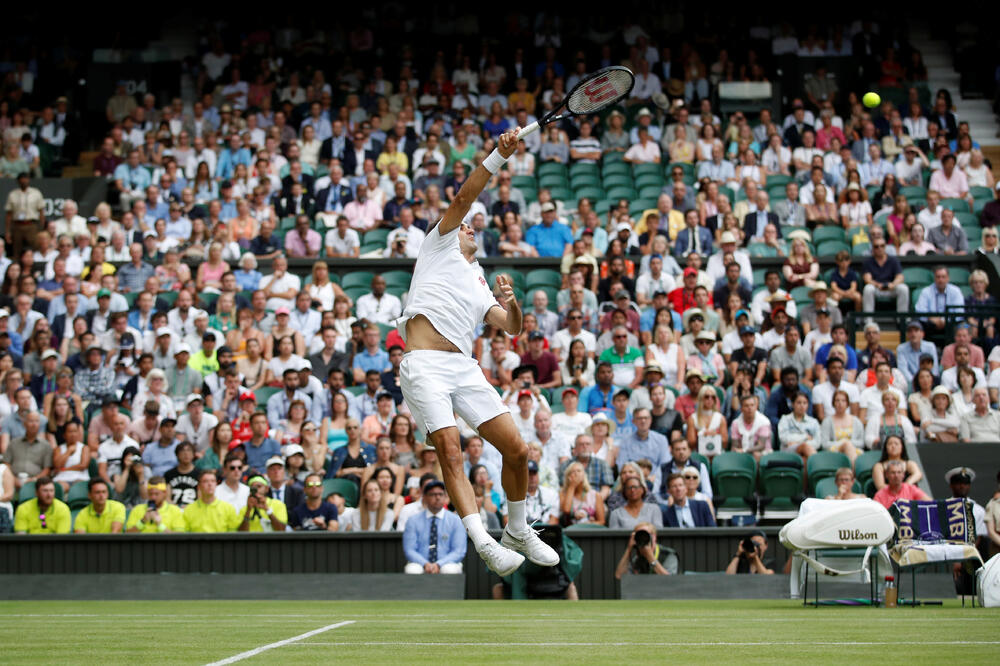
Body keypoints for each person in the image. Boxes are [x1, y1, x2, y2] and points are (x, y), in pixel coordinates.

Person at [395, 126, 557, 575]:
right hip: (424, 364)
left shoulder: (480, 277)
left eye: (470, 227)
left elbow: (510, 329)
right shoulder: (439, 243)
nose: (466, 225)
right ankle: (483, 541)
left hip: (463, 368)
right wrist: (498, 157)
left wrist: (513, 304)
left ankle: (518, 529)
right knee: (449, 448)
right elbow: (464, 197)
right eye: (464, 223)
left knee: (517, 449)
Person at [403, 479, 467, 574]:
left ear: (445, 497)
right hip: (420, 563)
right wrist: (425, 564)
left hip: (447, 563)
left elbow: (459, 551)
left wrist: (439, 564)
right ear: (424, 497)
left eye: (441, 494)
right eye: (433, 494)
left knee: (449, 570)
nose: (437, 497)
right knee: (412, 570)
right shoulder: (413, 521)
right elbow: (409, 550)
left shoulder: (456, 521)